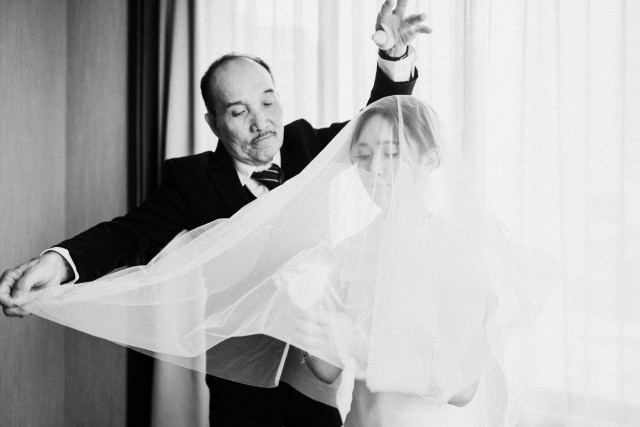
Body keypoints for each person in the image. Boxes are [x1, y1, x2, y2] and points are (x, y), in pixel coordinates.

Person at [1, 1, 432, 425]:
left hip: (315, 374)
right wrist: (56, 263)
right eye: (239, 112)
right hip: (238, 382)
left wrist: (393, 57)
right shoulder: (190, 180)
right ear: (213, 123)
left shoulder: (305, 145)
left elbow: (376, 123)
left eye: (268, 103)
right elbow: (127, 235)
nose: (261, 123)